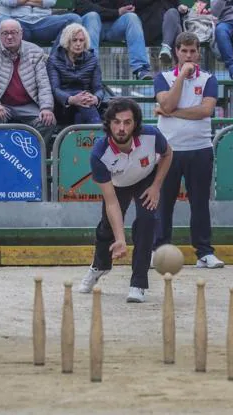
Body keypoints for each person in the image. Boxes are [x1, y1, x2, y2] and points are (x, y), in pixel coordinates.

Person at [78, 98, 173, 303]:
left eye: (127, 122)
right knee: (107, 228)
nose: (121, 128)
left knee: (147, 221)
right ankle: (99, 266)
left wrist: (156, 186)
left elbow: (168, 153)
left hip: (146, 179)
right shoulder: (99, 154)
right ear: (109, 124)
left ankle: (138, 283)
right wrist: (120, 239)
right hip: (118, 185)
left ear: (135, 124)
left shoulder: (151, 135)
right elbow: (112, 203)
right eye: (116, 122)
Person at [153, 32, 224, 269]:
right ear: (176, 52)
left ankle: (204, 252)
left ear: (199, 53)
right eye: (184, 51)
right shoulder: (162, 78)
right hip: (168, 151)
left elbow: (205, 111)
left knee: (200, 203)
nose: (189, 55)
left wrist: (171, 112)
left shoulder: (209, 79)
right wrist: (182, 76)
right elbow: (167, 103)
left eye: (193, 51)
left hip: (200, 149)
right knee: (164, 203)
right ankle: (159, 249)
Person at [0, 19, 56, 149]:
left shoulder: (35, 51)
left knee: (47, 121)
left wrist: (46, 107)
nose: (10, 37)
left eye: (13, 32)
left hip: (27, 105)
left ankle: (30, 156)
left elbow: (43, 83)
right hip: (1, 104)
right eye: (5, 33)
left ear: (21, 33)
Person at [76, 0, 153, 80]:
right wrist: (117, 12)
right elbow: (84, 7)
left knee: (132, 17)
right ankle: (90, 68)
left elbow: (128, 6)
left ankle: (140, 69)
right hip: (91, 26)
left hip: (114, 26)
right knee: (92, 16)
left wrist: (124, 8)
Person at [47, 23, 103, 125]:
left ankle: (87, 137)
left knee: (82, 110)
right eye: (74, 40)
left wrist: (95, 98)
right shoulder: (54, 60)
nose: (78, 44)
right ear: (67, 41)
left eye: (81, 40)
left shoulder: (92, 59)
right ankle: (98, 133)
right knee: (82, 99)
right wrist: (72, 99)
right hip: (63, 106)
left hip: (86, 104)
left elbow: (98, 88)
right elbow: (55, 89)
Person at [0, 0, 80, 49]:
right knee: (3, 23)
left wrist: (22, 2)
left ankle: (53, 61)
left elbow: (49, 2)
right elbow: (10, 1)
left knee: (73, 19)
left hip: (43, 23)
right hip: (18, 23)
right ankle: (11, 66)